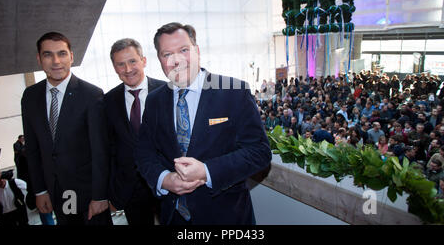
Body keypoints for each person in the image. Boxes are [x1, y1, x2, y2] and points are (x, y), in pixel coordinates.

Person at [134, 22, 271, 225]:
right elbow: (144, 152)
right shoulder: (154, 101)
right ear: (159, 60)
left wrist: (207, 172)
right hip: (173, 217)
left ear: (197, 51)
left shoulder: (234, 91)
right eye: (167, 54)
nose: (176, 60)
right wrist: (164, 179)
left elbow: (259, 152)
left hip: (226, 217)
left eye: (183, 50)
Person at [21, 32, 111, 225]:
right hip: (57, 194)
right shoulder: (30, 96)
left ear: (71, 56)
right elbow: (33, 149)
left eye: (62, 53)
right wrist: (40, 190)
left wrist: (100, 196)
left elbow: (100, 151)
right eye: (48, 54)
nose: (56, 61)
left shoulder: (91, 95)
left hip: (89, 195)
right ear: (39, 59)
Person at [104, 38, 166, 225]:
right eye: (121, 64)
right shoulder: (107, 102)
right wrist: (112, 191)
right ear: (115, 68)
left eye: (132, 61)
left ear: (143, 61)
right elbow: (108, 149)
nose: (128, 69)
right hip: (130, 190)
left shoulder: (168, 91)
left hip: (167, 183)